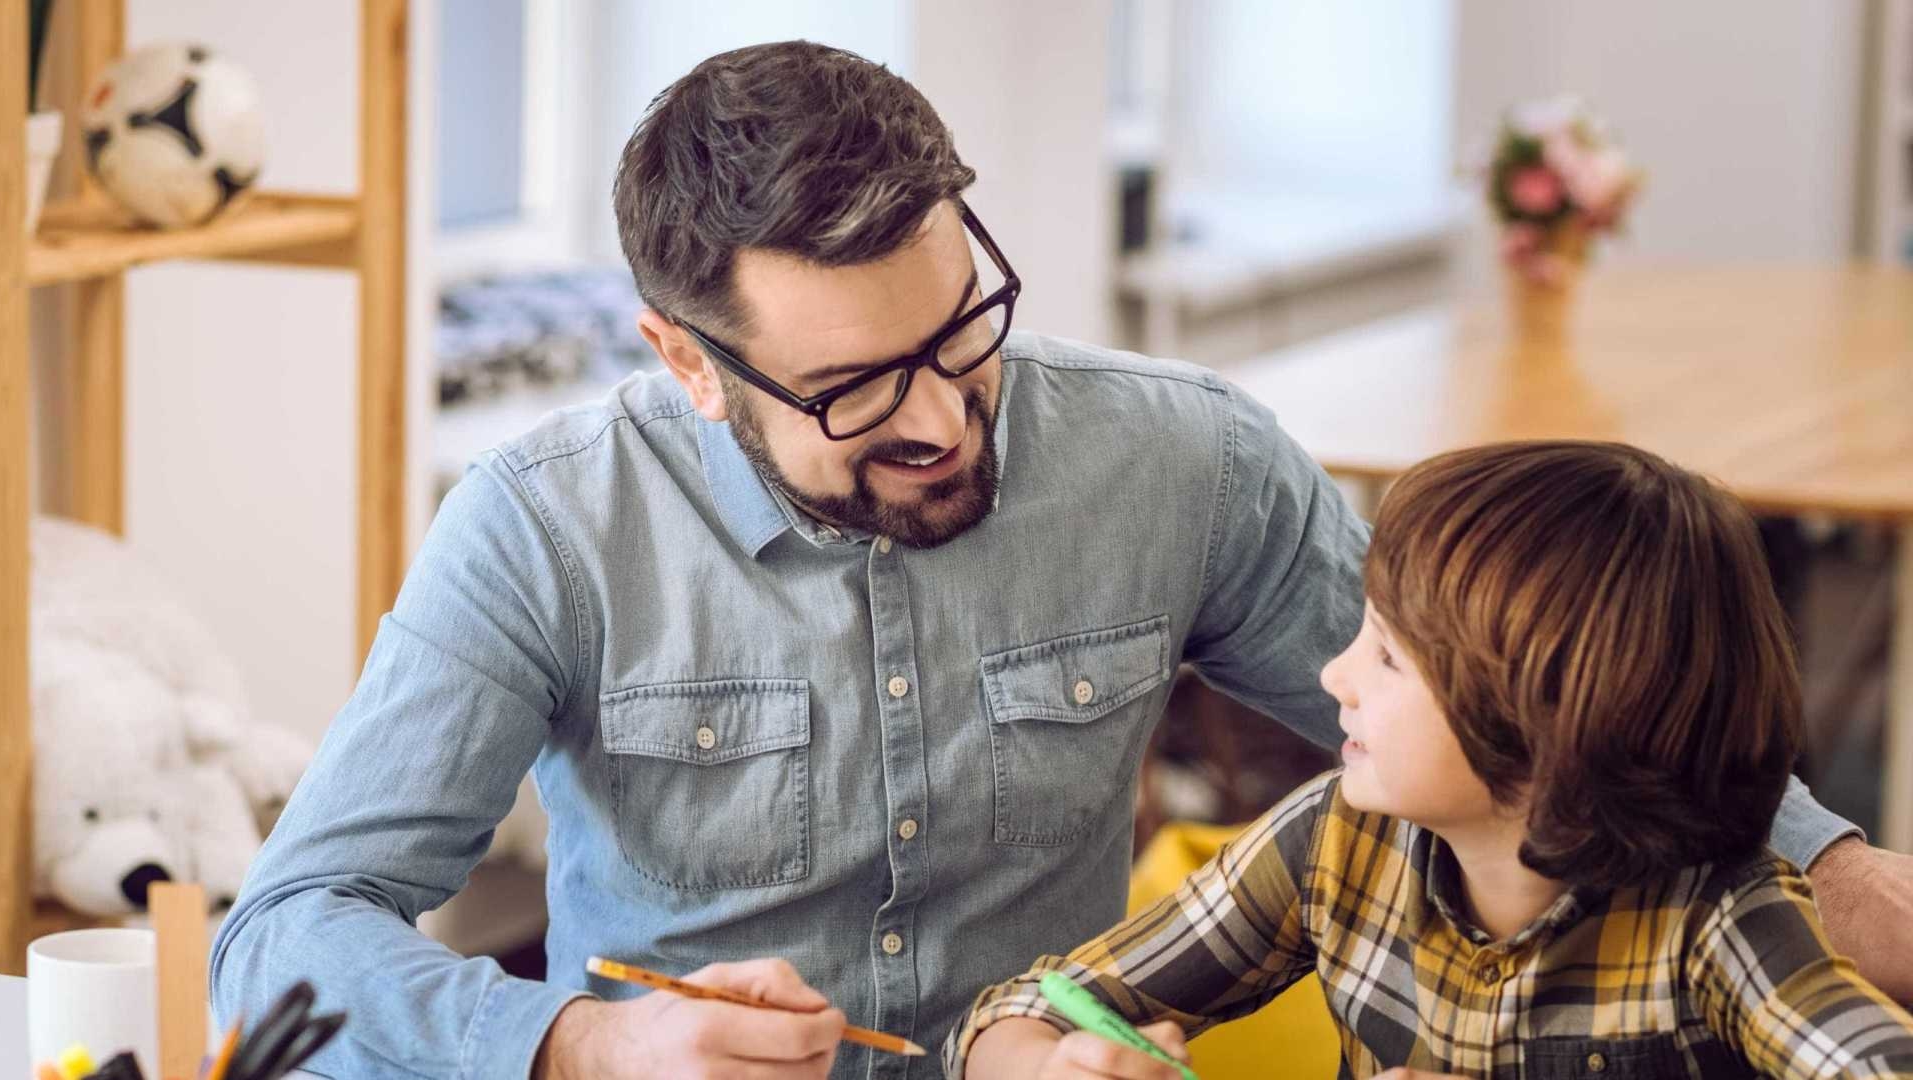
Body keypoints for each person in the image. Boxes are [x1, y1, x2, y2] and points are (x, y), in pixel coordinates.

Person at [210, 42, 1913, 1080]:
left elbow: (1531, 704)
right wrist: (578, 1046)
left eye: (966, 331)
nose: (946, 420)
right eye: (859, 393)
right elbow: (282, 933)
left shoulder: (1181, 458)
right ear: (686, 362)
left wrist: (1837, 879)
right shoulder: (539, 525)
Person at [949, 441, 1913, 1080]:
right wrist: (1042, 1063)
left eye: (1388, 656)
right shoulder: (1336, 836)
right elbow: (1023, 1005)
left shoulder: (1725, 919)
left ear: (1544, 725)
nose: (1333, 675)